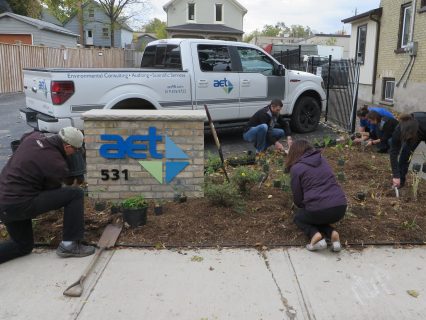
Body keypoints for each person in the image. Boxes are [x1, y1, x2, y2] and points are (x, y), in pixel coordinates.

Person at [0, 127, 95, 264]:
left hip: (5, 201)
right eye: (76, 149)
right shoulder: (55, 163)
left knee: (23, 246)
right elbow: (52, 191)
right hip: (19, 203)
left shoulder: (34, 137)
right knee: (75, 194)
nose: (76, 153)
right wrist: (69, 183)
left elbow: (23, 138)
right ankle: (69, 245)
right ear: (67, 146)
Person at [285, 140, 347, 252]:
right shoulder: (322, 160)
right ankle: (332, 233)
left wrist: (302, 206)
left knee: (299, 218)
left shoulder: (297, 168)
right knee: (317, 218)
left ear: (294, 153)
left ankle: (314, 235)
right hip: (340, 207)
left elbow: (298, 198)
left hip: (318, 209)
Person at [390, 112, 426, 188]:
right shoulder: (398, 130)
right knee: (405, 155)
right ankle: (400, 181)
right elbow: (393, 152)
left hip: (422, 129)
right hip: (414, 135)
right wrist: (396, 176)